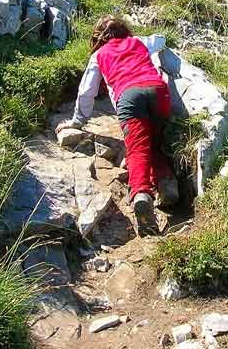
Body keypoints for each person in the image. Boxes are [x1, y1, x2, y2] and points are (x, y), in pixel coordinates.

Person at [56, 15, 177, 236]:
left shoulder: (99, 55)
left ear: (97, 38)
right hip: (159, 92)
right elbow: (160, 39)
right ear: (124, 30)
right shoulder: (139, 41)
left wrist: (78, 121)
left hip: (130, 96)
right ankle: (167, 183)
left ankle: (141, 194)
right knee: (154, 144)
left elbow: (86, 92)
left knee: (138, 149)